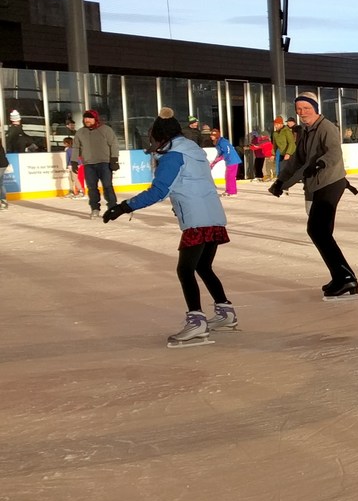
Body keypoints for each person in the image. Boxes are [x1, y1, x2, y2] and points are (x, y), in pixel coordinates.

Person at [101, 113, 236, 347]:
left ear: (162, 136)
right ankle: (225, 312)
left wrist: (123, 207)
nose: (151, 140)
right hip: (212, 215)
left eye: (153, 135)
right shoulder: (192, 151)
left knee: (185, 270)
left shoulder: (174, 157)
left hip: (197, 220)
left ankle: (197, 322)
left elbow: (158, 191)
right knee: (203, 266)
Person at [270, 92, 358, 298]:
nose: (302, 113)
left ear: (316, 108)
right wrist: (281, 181)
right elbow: (297, 160)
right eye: (299, 109)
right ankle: (342, 277)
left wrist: (320, 163)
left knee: (318, 230)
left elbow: (334, 152)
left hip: (330, 182)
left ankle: (345, 277)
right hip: (315, 184)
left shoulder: (327, 127)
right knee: (321, 231)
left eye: (306, 108)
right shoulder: (306, 131)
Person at [75, 108, 120, 219]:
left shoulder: (105, 130)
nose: (87, 120)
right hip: (88, 164)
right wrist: (74, 160)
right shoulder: (80, 132)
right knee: (92, 188)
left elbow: (114, 144)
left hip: (104, 163)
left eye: (90, 118)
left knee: (108, 186)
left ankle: (113, 208)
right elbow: (76, 147)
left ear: (95, 119)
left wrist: (114, 159)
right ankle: (95, 208)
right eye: (85, 118)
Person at [208, 129, 243, 196]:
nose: (211, 136)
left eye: (213, 135)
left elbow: (227, 151)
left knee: (231, 176)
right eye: (211, 135)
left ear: (216, 136)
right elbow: (220, 153)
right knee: (227, 176)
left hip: (233, 160)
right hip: (229, 161)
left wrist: (219, 158)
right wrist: (214, 163)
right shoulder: (218, 142)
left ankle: (232, 192)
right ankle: (228, 190)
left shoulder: (223, 142)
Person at [272, 117, 296, 182]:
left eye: (276, 124)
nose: (275, 126)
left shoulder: (286, 131)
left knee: (285, 169)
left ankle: (286, 183)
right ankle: (282, 183)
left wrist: (288, 153)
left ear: (281, 124)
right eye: (275, 124)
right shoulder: (275, 133)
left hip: (289, 153)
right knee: (280, 168)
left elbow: (291, 143)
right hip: (282, 153)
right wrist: (273, 154)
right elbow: (274, 145)